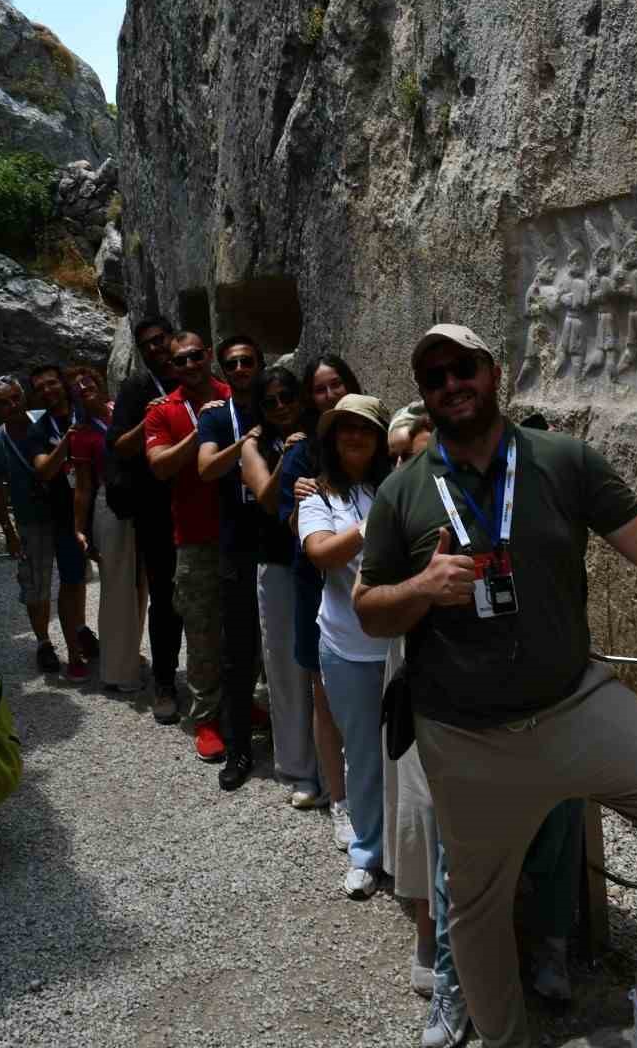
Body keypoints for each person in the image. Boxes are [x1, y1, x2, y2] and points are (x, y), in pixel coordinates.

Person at [355, 323, 637, 1048]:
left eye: (463, 368)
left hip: (573, 706)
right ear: (425, 394)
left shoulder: (561, 459)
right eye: (435, 376)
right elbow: (369, 608)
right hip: (466, 735)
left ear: (493, 370)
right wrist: (421, 587)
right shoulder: (402, 493)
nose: (451, 384)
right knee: (474, 910)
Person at [299, 394, 392, 899]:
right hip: (349, 648)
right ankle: (366, 852)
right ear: (331, 439)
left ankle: (404, 849)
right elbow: (320, 555)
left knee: (407, 754)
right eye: (344, 428)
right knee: (362, 753)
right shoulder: (317, 497)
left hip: (403, 644)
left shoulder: (397, 485)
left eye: (365, 428)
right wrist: (369, 526)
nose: (354, 436)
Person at [278, 352, 363, 825]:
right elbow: (291, 527)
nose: (332, 394)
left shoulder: (377, 439)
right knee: (324, 693)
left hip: (374, 585)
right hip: (320, 586)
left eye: (338, 384)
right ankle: (339, 797)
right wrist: (298, 505)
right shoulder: (302, 453)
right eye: (321, 388)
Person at [145, 331, 230, 761]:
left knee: (249, 623)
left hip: (242, 534)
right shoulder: (163, 410)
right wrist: (203, 431)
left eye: (196, 356)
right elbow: (159, 467)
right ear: (171, 367)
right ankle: (207, 718)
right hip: (195, 538)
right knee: (201, 633)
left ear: (209, 355)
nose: (190, 364)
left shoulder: (237, 393)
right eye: (181, 360)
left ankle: (243, 703)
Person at [197, 333, 271, 791]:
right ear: (222, 370)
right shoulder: (218, 417)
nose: (240, 369)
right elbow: (205, 469)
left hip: (281, 544)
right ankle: (239, 747)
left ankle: (298, 742)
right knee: (237, 653)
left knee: (288, 652)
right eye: (232, 364)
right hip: (237, 545)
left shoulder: (278, 403)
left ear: (259, 365)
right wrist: (243, 444)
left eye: (247, 361)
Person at [239, 366, 316, 800]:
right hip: (278, 562)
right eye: (271, 401)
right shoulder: (255, 445)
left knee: (323, 670)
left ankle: (330, 765)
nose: (282, 406)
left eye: (288, 396)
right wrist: (288, 455)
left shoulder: (320, 431)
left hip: (320, 560)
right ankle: (296, 768)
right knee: (285, 669)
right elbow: (268, 500)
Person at [383, 402, 439, 997]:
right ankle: (427, 929)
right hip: (410, 662)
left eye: (409, 453)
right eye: (393, 455)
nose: (399, 465)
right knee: (417, 795)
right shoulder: (393, 507)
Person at [0, 364, 87, 682]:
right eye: (5, 402)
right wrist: (9, 532)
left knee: (75, 578)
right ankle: (44, 641)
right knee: (36, 586)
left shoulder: (44, 420)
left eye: (17, 398)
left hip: (62, 513)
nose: (13, 405)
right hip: (31, 520)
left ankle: (80, 630)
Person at [107, 316, 184, 724]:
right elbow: (119, 445)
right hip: (157, 511)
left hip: (202, 505)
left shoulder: (192, 375)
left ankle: (217, 682)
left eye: (161, 340)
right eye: (147, 344)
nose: (156, 348)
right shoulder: (138, 388)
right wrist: (149, 417)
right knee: (166, 599)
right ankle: (166, 681)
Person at [68, 364, 145, 695]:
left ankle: (129, 656)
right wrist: (79, 528)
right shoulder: (82, 434)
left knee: (140, 583)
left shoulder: (121, 410)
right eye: (78, 387)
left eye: (89, 381)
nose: (85, 386)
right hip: (108, 503)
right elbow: (83, 487)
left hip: (140, 498)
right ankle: (117, 669)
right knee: (116, 586)